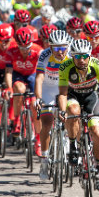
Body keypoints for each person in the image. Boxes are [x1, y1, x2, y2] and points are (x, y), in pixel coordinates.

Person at [58, 39, 99, 191]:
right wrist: (61, 111)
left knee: (97, 133)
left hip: (91, 97)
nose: (81, 60)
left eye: (84, 56)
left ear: (89, 55)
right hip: (73, 96)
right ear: (72, 56)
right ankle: (73, 145)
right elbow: (62, 93)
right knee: (73, 111)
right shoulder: (66, 67)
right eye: (77, 56)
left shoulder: (97, 65)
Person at [35, 30, 71, 180]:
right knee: (47, 123)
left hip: (66, 87)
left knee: (71, 115)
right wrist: (38, 98)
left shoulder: (72, 55)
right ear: (50, 48)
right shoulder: (44, 55)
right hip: (49, 88)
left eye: (63, 48)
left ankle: (71, 145)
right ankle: (44, 159)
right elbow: (39, 78)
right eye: (56, 48)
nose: (60, 52)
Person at [4, 27, 43, 156]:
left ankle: (38, 140)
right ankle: (17, 120)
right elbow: (8, 72)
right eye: (21, 48)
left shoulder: (39, 51)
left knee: (34, 106)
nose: (25, 51)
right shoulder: (11, 51)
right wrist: (9, 87)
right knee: (19, 89)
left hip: (33, 75)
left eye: (27, 48)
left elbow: (42, 74)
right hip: (18, 75)